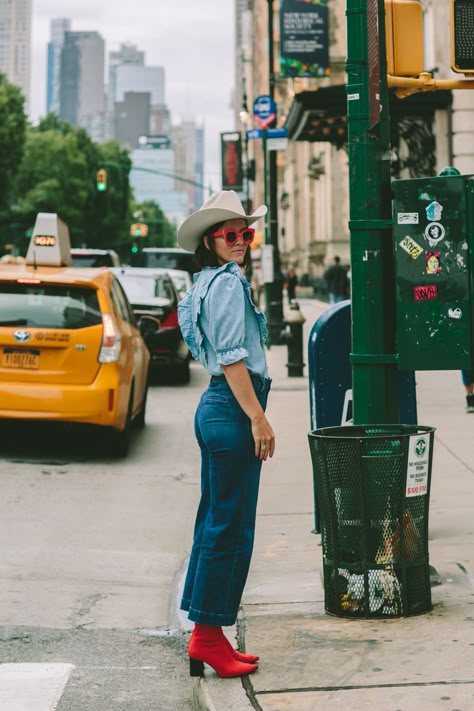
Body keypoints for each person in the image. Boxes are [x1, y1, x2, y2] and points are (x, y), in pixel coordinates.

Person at [176, 190, 275, 679]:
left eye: (245, 234)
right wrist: (258, 417)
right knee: (230, 527)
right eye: (230, 235)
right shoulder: (228, 286)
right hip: (234, 406)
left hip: (217, 407)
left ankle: (207, 636)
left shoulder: (203, 284)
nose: (240, 242)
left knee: (215, 523)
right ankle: (207, 638)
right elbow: (233, 357)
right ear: (211, 241)